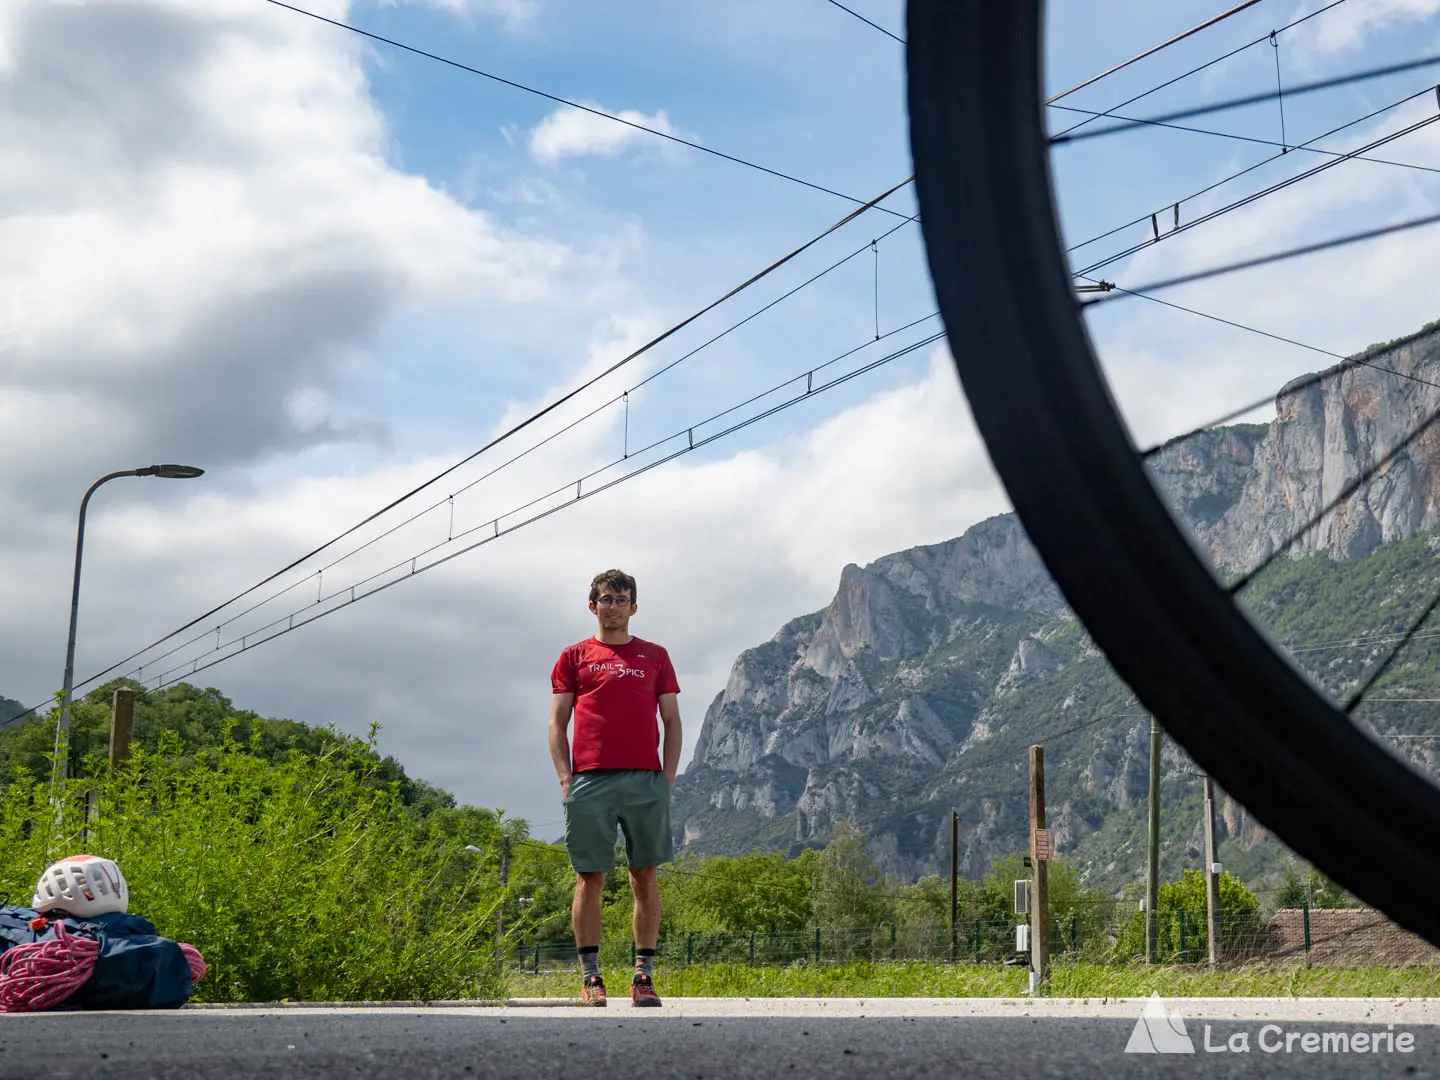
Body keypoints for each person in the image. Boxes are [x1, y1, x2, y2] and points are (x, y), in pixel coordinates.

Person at [549, 569, 682, 1007]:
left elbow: (672, 721)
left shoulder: (655, 656)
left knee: (644, 875)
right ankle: (591, 980)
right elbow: (557, 723)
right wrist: (567, 778)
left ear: (633, 607)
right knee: (591, 877)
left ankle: (643, 977)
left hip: (645, 780)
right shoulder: (573, 657)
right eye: (605, 599)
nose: (612, 606)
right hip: (590, 779)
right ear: (593, 606)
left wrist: (667, 778)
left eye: (620, 599)